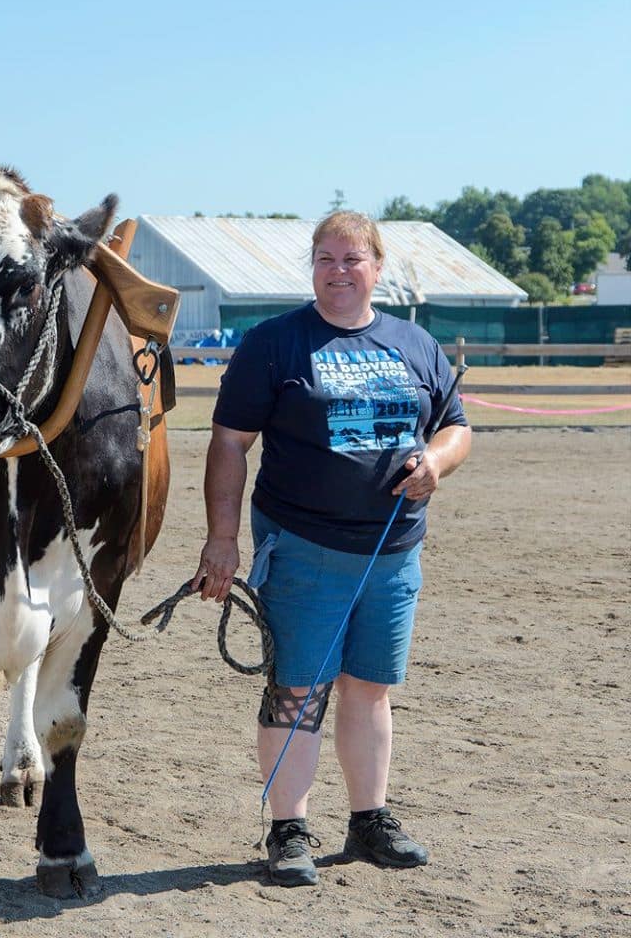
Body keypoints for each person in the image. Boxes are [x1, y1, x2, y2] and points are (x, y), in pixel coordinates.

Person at [191, 212, 471, 887]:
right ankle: (288, 829)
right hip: (305, 549)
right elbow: (229, 442)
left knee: (370, 689)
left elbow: (457, 428)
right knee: (298, 692)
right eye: (324, 258)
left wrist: (436, 462)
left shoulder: (416, 344)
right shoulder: (274, 344)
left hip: (395, 553)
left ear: (378, 267)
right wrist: (222, 541)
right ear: (311, 267)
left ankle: (369, 820)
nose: (337, 271)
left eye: (351, 259)